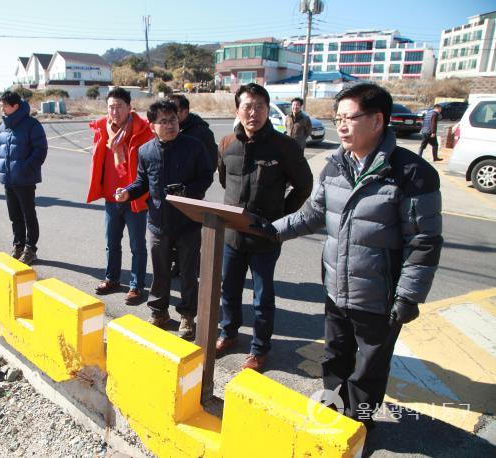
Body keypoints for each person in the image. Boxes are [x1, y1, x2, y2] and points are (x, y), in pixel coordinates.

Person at [255, 82, 443, 429]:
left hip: (380, 298)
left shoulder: (413, 174)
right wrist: (272, 229)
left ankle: (359, 430)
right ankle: (332, 422)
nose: (340, 125)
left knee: (367, 373)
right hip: (336, 290)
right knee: (334, 360)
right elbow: (312, 214)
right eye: (337, 117)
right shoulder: (336, 166)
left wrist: (408, 297)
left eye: (348, 118)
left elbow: (424, 242)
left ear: (377, 121)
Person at [216, 83, 313, 371]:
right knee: (229, 290)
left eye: (260, 106)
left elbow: (304, 186)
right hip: (232, 236)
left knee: (262, 297)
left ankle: (259, 349)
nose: (253, 112)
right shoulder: (226, 145)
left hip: (265, 237)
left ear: (268, 110)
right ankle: (229, 334)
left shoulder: (284, 147)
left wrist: (281, 218)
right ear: (237, 110)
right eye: (247, 106)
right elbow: (225, 181)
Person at [114, 100, 213, 339]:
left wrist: (187, 191)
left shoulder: (194, 146)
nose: (170, 125)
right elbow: (142, 183)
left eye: (173, 120)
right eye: (164, 121)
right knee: (159, 271)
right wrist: (128, 192)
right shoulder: (145, 151)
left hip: (188, 221)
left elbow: (206, 176)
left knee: (189, 272)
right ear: (152, 126)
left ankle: (188, 317)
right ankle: (159, 312)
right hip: (158, 222)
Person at [87, 87, 155, 304]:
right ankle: (112, 278)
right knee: (112, 243)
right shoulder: (102, 130)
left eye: (119, 107)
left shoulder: (143, 131)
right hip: (111, 197)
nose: (114, 112)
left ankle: (136, 286)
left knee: (137, 245)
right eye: (111, 107)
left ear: (129, 108)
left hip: (134, 198)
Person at [0, 90, 48, 265]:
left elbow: (40, 150)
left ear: (15, 106)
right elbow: (0, 148)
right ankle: (18, 245)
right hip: (8, 178)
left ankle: (31, 249)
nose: (2, 109)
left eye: (4, 106)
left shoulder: (31, 124)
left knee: (28, 216)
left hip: (24, 179)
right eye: (1, 105)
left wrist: (26, 169)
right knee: (14, 215)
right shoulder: (4, 125)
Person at [167, 94, 219, 277]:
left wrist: (196, 188)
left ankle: (192, 265)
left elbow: (211, 164)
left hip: (191, 192)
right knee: (171, 230)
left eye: (175, 112)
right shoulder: (168, 128)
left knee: (189, 233)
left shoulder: (202, 132)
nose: (170, 116)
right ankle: (178, 263)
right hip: (170, 192)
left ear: (185, 112)